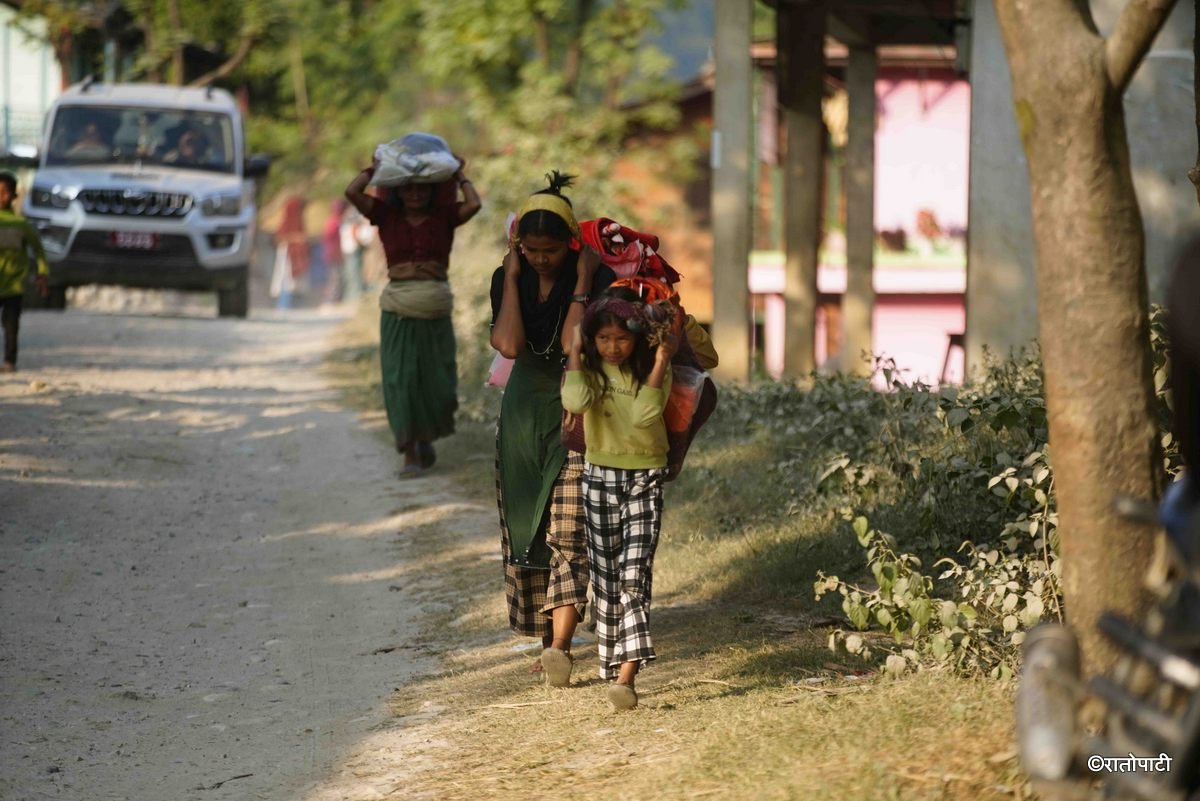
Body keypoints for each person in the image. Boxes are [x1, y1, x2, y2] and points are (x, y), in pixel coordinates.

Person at [489, 172, 615, 687]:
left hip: (576, 405)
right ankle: (547, 643)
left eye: (550, 251)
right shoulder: (508, 277)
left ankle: (562, 644)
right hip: (523, 410)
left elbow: (574, 347)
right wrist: (513, 276)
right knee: (528, 527)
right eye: (531, 250)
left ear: (571, 243)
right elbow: (511, 346)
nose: (542, 259)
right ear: (519, 245)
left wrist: (582, 283)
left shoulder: (596, 278)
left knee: (568, 527)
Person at [561, 286, 677, 710]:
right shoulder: (588, 373)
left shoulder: (655, 371)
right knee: (607, 580)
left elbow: (648, 416)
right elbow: (574, 401)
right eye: (603, 338)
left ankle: (627, 675)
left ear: (637, 339)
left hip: (644, 476)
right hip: (599, 477)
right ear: (592, 339)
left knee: (634, 576)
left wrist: (663, 358)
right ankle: (612, 664)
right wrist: (575, 350)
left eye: (622, 339)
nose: (612, 347)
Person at [344, 153, 481, 476]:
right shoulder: (385, 215)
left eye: (423, 188)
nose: (416, 194)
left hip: (434, 306)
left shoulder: (444, 216)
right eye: (408, 188)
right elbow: (352, 192)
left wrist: (459, 175)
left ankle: (425, 438)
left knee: (438, 383)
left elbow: (474, 204)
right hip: (399, 309)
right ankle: (409, 454)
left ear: (434, 190)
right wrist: (376, 169)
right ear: (396, 190)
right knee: (402, 380)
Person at [0, 172, 50, 372]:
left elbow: (39, 251)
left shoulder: (22, 225)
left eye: (4, 192)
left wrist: (42, 274)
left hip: (14, 284)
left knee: (11, 325)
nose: (0, 196)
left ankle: (9, 362)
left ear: (13, 196)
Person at [269, 195, 309, 309]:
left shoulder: (300, 221)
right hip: (287, 254)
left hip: (297, 256)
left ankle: (297, 305)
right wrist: (295, 238)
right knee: (284, 281)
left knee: (296, 282)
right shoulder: (286, 221)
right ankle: (283, 305)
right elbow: (278, 238)